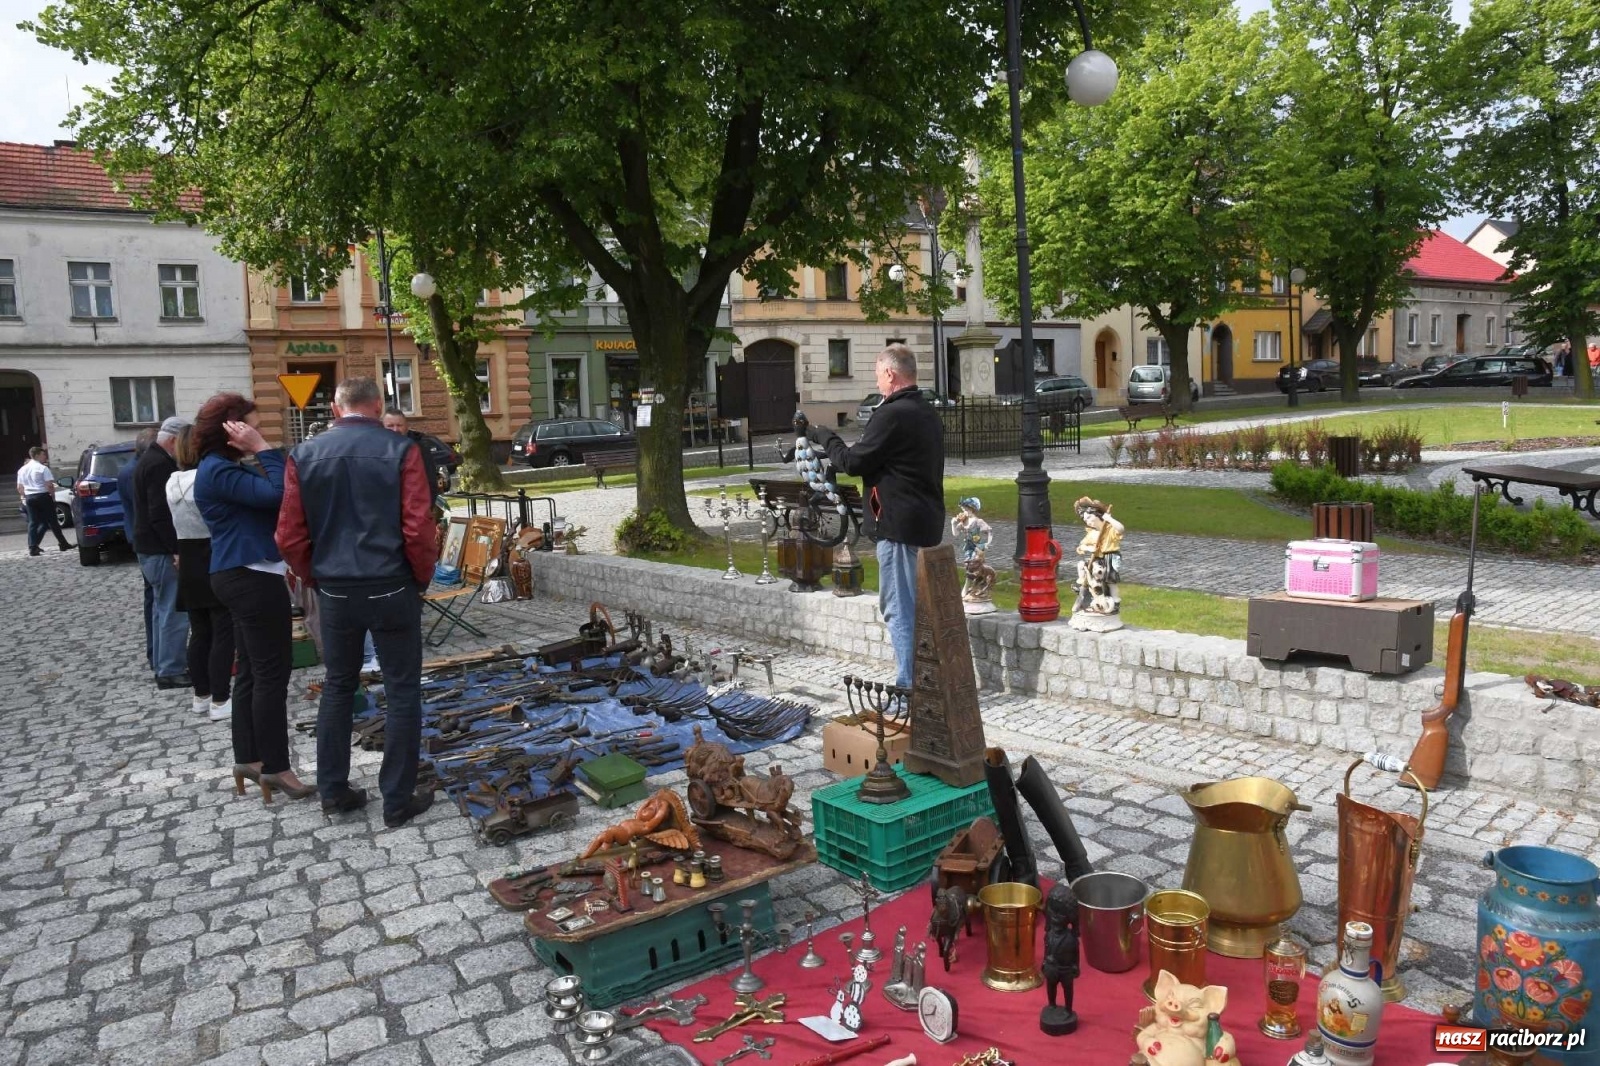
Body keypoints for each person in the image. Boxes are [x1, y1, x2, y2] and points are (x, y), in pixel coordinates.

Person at [277, 378, 438, 827]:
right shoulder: (400, 450)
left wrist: (315, 576)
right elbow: (418, 528)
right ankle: (396, 799)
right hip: (391, 584)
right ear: (379, 405)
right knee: (402, 689)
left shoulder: (304, 455)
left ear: (335, 407)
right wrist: (420, 577)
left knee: (338, 684)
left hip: (336, 589)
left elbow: (288, 535)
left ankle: (333, 791)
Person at [194, 393, 314, 803]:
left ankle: (249, 758)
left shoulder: (222, 468)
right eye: (252, 424)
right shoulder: (219, 471)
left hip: (243, 573)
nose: (259, 431)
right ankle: (278, 767)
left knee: (249, 672)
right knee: (271, 677)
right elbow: (283, 493)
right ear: (233, 430)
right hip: (249, 577)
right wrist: (264, 450)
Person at [805, 343, 944, 689]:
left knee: (898, 607)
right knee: (916, 607)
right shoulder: (926, 411)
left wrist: (825, 436)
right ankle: (924, 678)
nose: (878, 384)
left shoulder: (892, 414)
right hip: (925, 522)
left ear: (890, 374)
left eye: (878, 376)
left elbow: (853, 462)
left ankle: (910, 686)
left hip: (898, 526)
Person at [166, 425, 235, 722]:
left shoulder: (171, 481)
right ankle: (220, 698)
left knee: (200, 631)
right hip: (212, 551)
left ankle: (201, 694)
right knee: (223, 631)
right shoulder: (206, 478)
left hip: (188, 555)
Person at [133, 416, 192, 689]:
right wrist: (175, 549)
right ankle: (171, 669)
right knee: (173, 610)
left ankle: (162, 664)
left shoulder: (149, 459)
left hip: (148, 548)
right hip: (159, 550)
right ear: (172, 441)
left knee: (160, 610)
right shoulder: (159, 465)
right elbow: (160, 515)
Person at [120, 428, 158, 674]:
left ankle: (154, 652)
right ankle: (157, 653)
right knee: (157, 601)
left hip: (138, 538)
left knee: (152, 599)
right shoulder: (141, 471)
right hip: (150, 543)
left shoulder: (128, 469)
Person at [16, 445, 73, 556]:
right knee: (53, 521)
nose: (45, 456)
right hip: (42, 495)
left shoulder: (22, 469)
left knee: (33, 522)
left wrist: (25, 496)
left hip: (30, 497)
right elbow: (49, 485)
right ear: (37, 455)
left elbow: (19, 487)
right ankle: (63, 543)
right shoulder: (42, 468)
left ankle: (32, 547)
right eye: (43, 454)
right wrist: (53, 497)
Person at [381, 407, 450, 496]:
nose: (395, 430)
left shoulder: (419, 449)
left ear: (406, 427)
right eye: (390, 426)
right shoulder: (376, 450)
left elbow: (430, 483)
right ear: (382, 428)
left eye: (399, 425)